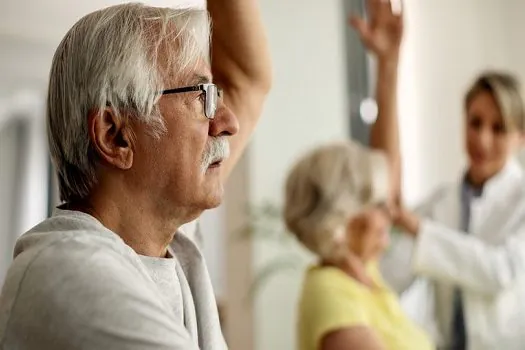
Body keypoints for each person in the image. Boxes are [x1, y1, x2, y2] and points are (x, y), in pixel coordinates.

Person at [0, 1, 271, 349]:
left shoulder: (160, 241)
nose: (228, 123)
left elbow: (247, 81)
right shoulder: (71, 271)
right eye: (201, 94)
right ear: (116, 137)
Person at [284, 2, 433, 349]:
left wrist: (388, 65)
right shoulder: (329, 293)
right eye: (377, 204)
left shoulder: (365, 274)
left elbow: (386, 169)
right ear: (340, 219)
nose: (390, 212)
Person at [379, 49, 525, 350]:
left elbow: (500, 272)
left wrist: (420, 231)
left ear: (520, 137)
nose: (482, 139)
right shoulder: (439, 203)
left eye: (499, 129)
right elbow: (390, 274)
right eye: (475, 123)